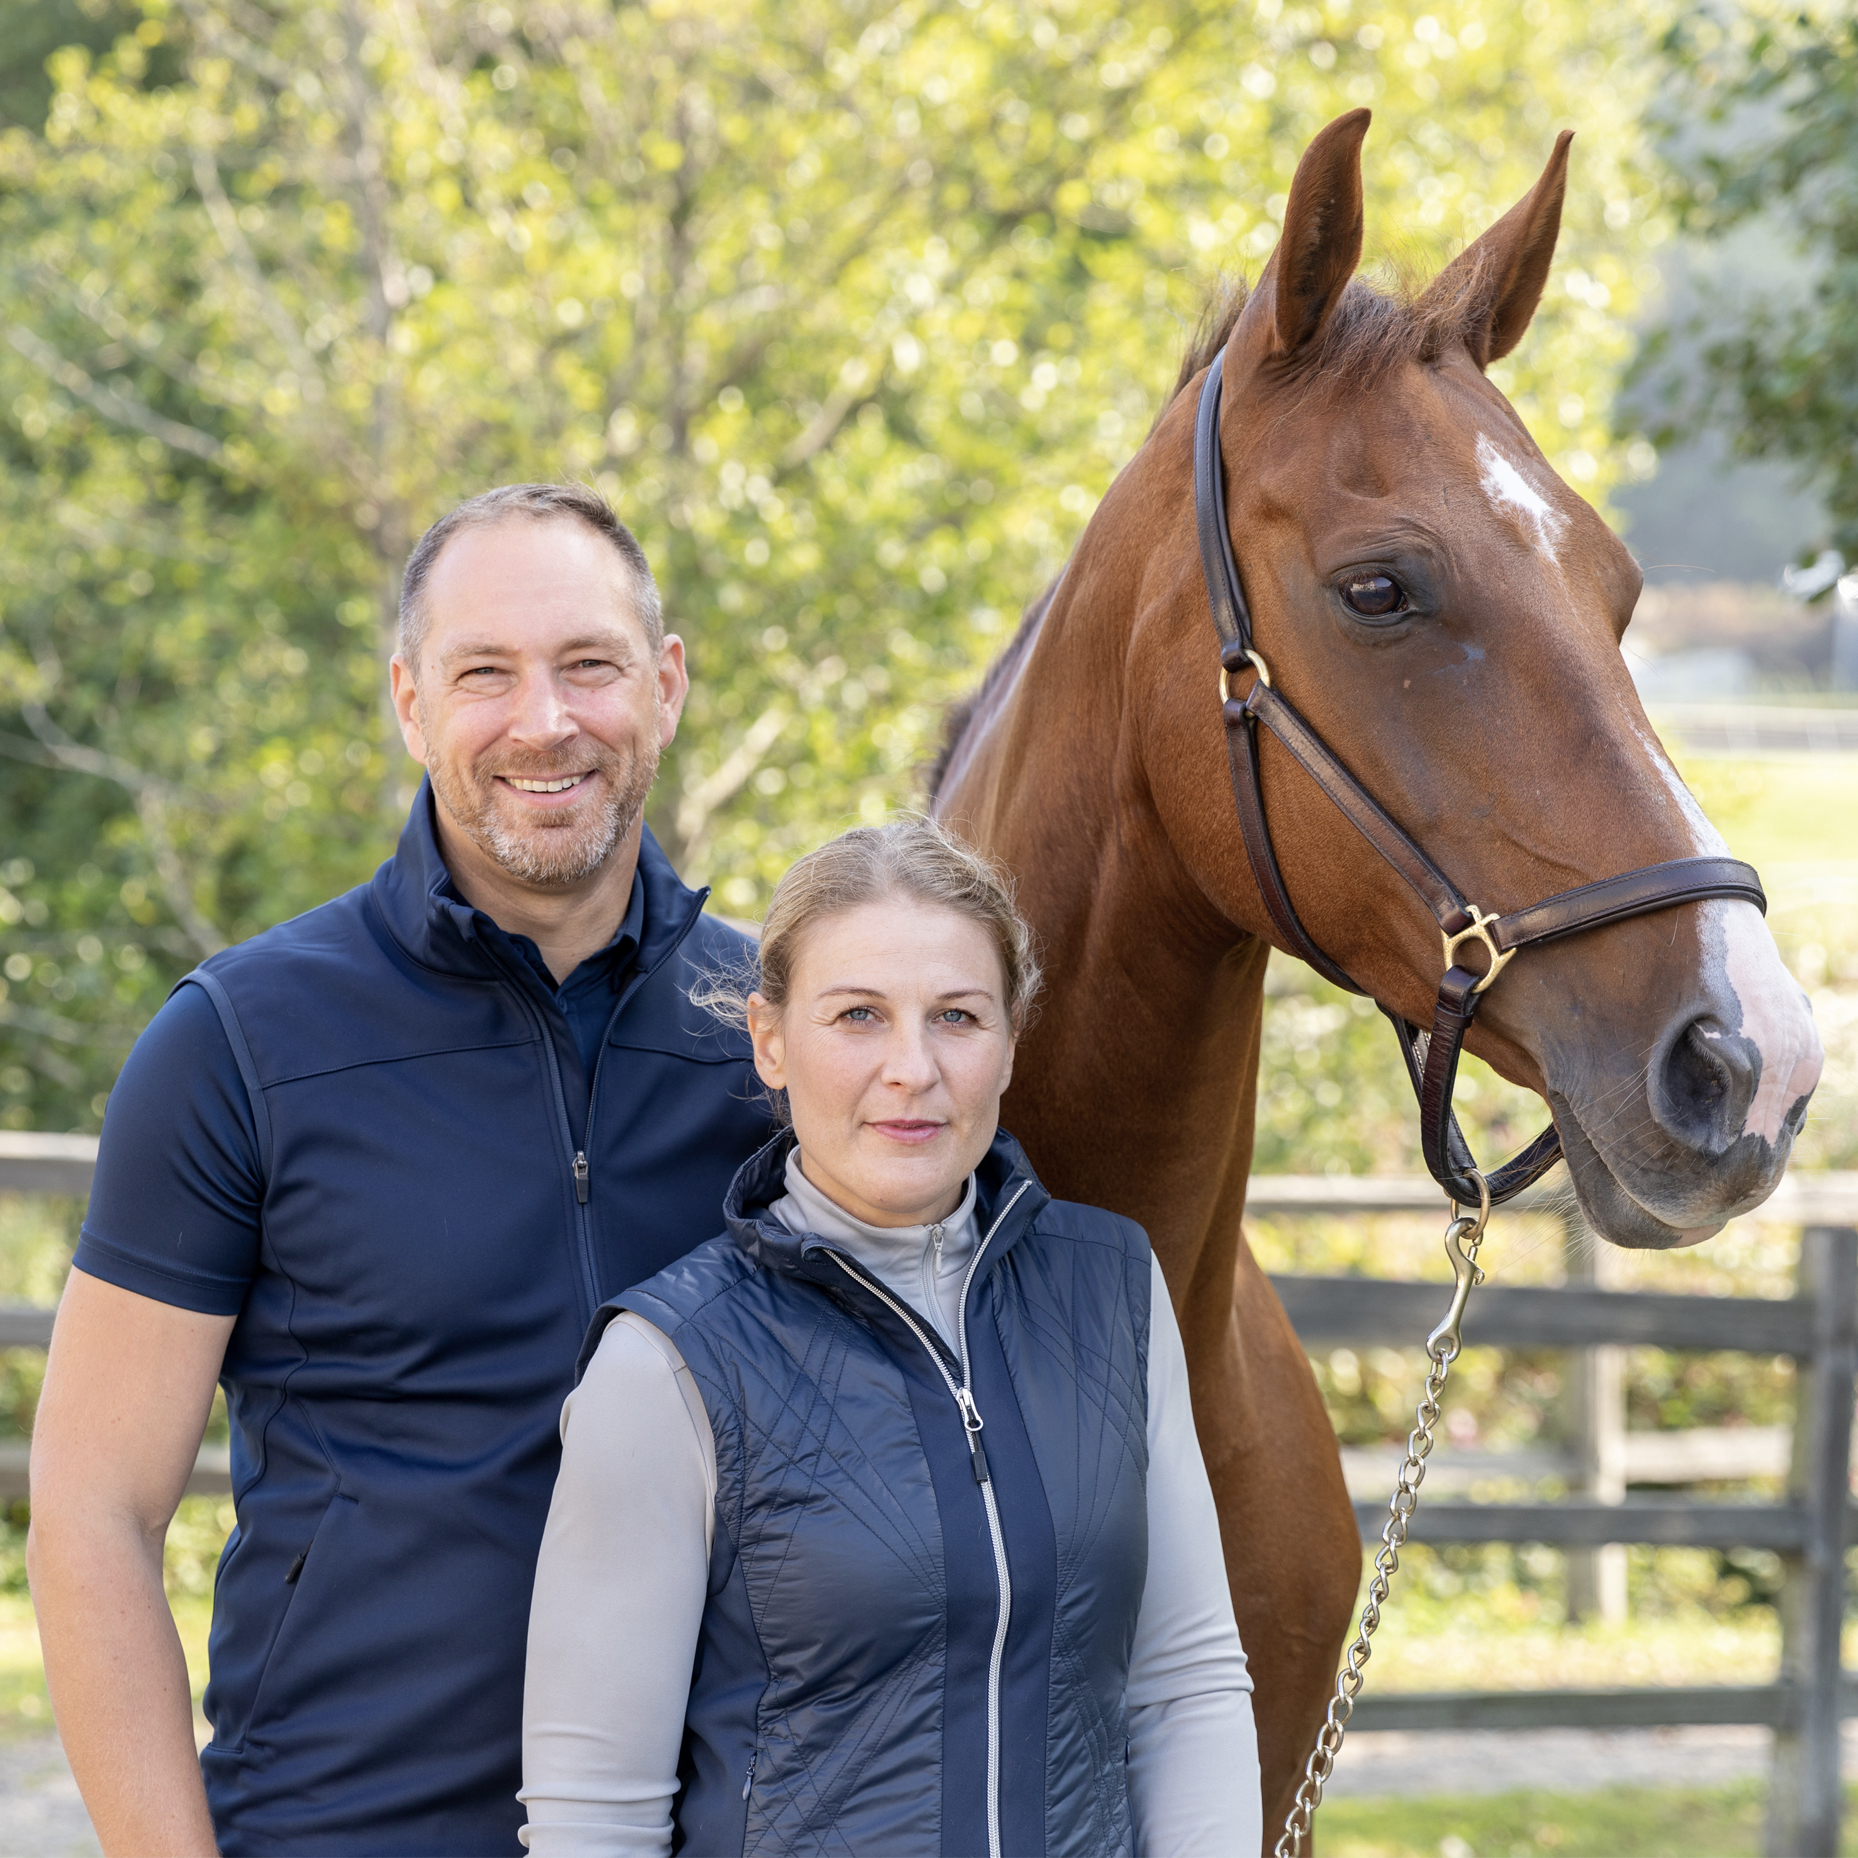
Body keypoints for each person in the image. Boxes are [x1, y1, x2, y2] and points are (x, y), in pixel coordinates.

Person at [28, 484, 775, 1856]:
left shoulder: (787, 1050)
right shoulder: (238, 1042)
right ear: (411, 703)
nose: (542, 719)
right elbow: (92, 1509)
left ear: (663, 687)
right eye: (483, 671)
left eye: (589, 664)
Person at [520, 819, 1262, 1857]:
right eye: (857, 1015)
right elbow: (593, 1811)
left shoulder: (1113, 1287)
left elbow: (1184, 1681)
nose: (911, 1067)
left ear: (1011, 1037)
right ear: (770, 1041)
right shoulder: (667, 1362)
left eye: (956, 1016)